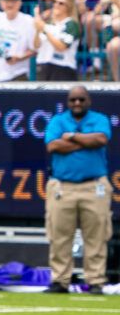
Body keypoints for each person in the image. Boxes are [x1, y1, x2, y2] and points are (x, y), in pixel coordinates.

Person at [43, 86, 112, 294]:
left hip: (94, 186)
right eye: (73, 100)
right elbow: (53, 146)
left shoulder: (99, 119)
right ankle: (60, 280)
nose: (77, 103)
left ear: (88, 100)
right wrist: (86, 141)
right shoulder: (58, 121)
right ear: (68, 102)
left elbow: (101, 139)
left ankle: (95, 281)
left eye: (81, 99)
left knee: (97, 237)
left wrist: (71, 137)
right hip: (63, 186)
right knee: (59, 237)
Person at [34, 0, 80, 81]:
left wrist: (44, 28)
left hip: (62, 67)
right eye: (55, 2)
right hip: (43, 66)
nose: (56, 5)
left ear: (69, 6)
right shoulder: (48, 24)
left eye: (61, 3)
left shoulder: (71, 24)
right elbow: (36, 45)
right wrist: (38, 28)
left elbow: (61, 47)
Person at [71, 0, 104, 74]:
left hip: (95, 20)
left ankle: (95, 60)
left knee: (88, 19)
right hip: (76, 22)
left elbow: (85, 10)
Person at [101, 0, 120, 81]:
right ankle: (118, 82)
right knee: (112, 45)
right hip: (116, 18)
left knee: (113, 24)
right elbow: (106, 0)